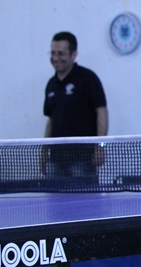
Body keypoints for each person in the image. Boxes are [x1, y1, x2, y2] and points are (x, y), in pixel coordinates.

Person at [42, 32, 108, 178]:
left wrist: (100, 146)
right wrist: (43, 151)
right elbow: (51, 120)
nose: (55, 58)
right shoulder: (51, 85)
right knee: (54, 200)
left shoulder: (88, 78)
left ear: (73, 55)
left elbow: (102, 112)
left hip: (82, 159)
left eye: (61, 53)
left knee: (85, 201)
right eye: (53, 53)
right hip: (56, 160)